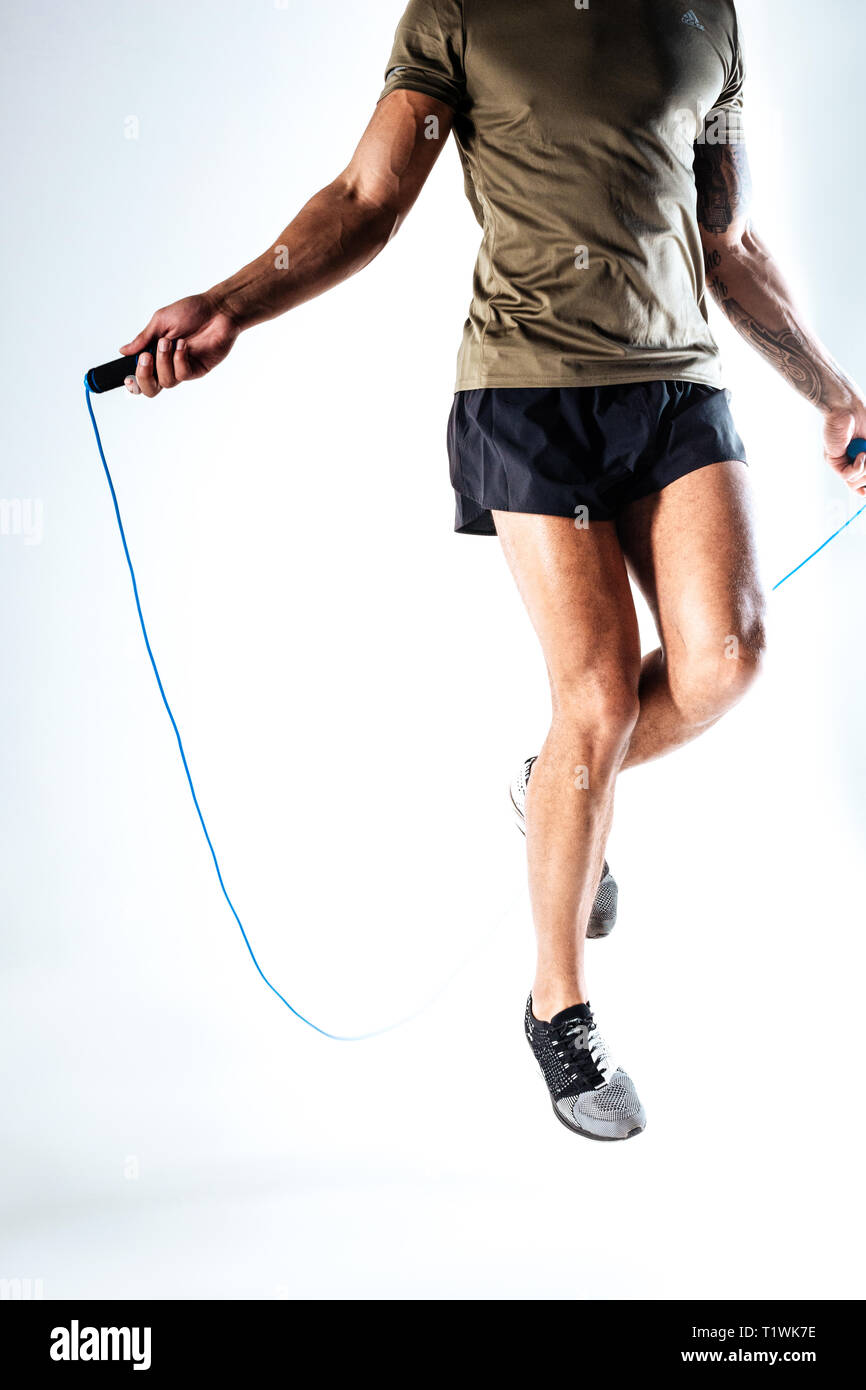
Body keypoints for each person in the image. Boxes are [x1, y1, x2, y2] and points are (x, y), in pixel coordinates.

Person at [119, 0, 866, 1141]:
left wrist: (834, 395)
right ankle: (557, 1002)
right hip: (525, 390)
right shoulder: (460, 12)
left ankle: (546, 788)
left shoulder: (702, 12)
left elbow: (724, 240)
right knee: (601, 697)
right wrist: (228, 303)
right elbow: (367, 200)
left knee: (725, 660)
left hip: (675, 386)